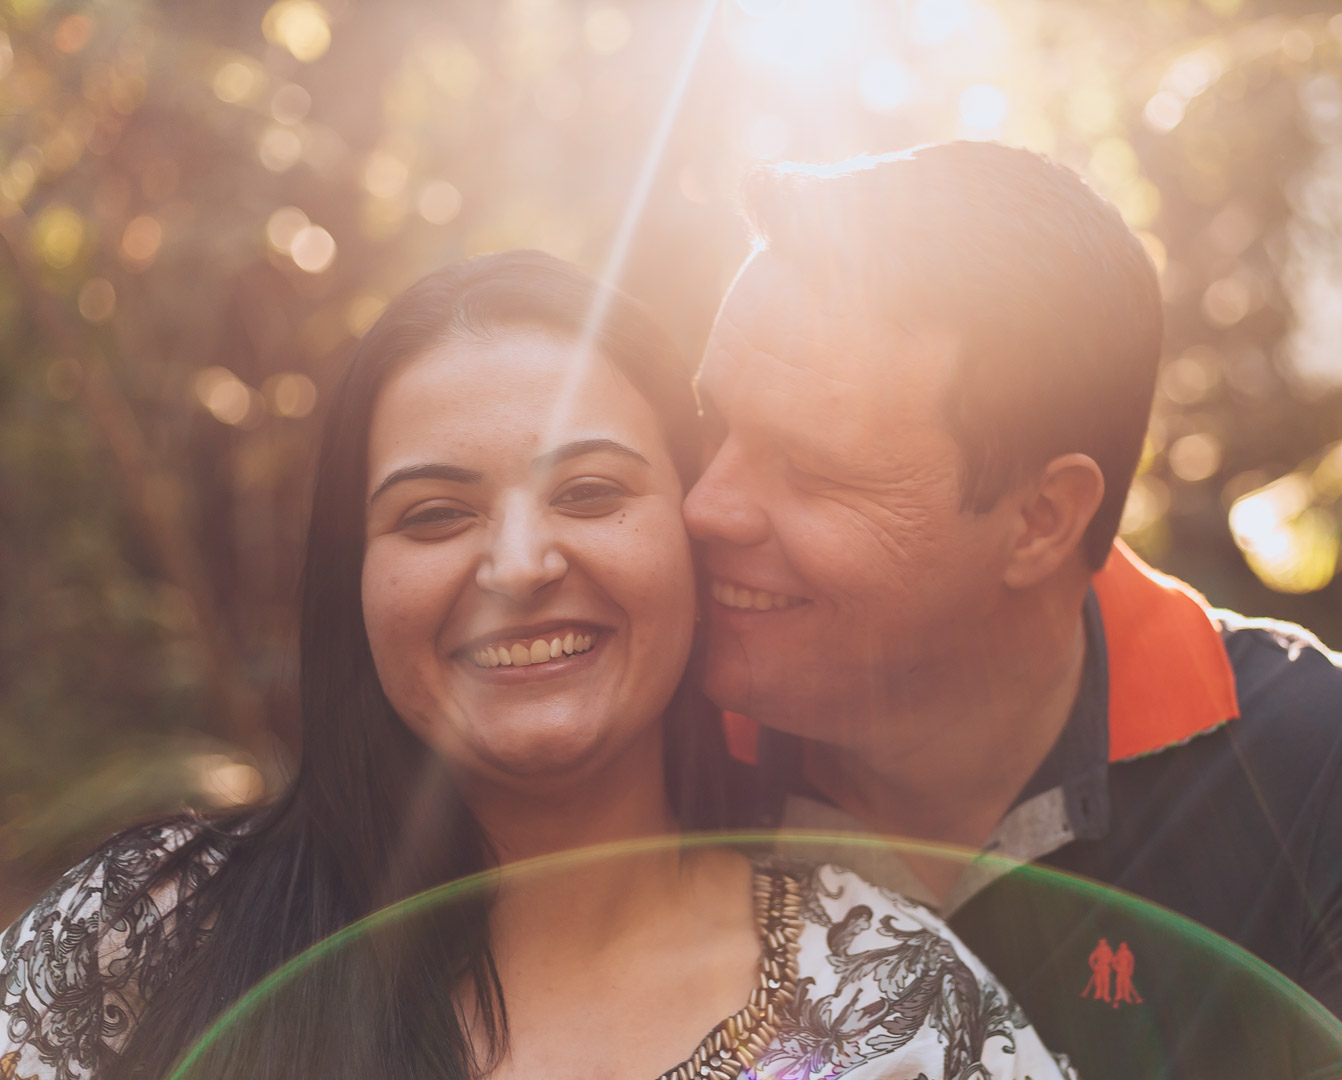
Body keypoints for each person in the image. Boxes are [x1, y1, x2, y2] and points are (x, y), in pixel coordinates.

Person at [0, 251, 1071, 1080]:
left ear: (695, 532)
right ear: (352, 584)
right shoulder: (139, 939)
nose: (518, 563)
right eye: (433, 515)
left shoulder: (894, 1002)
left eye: (591, 493)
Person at [684, 142, 1342, 1079]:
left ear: (1041, 520)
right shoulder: (646, 755)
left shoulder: (1318, 764)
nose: (706, 506)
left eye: (813, 471)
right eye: (712, 429)